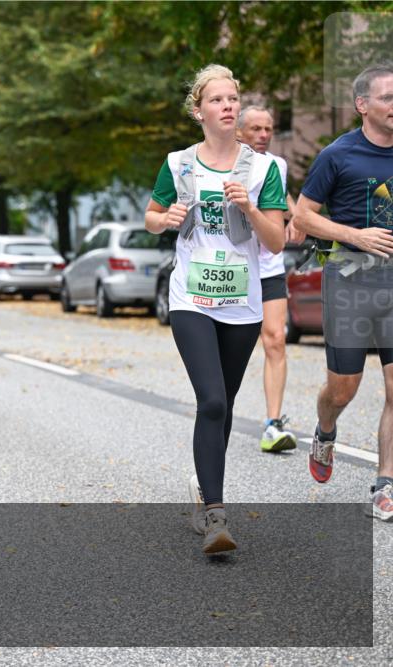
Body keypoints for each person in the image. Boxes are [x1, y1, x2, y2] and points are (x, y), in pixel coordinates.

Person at [144, 65, 286, 555]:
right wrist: (166, 218)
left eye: (233, 98)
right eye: (218, 100)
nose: (228, 106)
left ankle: (205, 491)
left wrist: (250, 208)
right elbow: (150, 217)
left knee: (223, 403)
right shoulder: (179, 164)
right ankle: (216, 517)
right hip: (191, 299)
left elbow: (277, 240)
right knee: (211, 400)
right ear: (199, 110)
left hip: (242, 303)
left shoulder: (263, 169)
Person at [292, 63, 393, 520]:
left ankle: (385, 485)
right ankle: (326, 429)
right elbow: (302, 216)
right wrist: (355, 236)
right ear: (362, 105)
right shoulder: (338, 154)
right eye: (387, 97)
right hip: (350, 282)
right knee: (342, 390)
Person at [236, 105, 304, 452]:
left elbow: (283, 197)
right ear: (239, 131)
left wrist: (298, 218)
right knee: (232, 346)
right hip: (234, 268)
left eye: (269, 129)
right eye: (256, 129)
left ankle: (273, 424)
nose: (264, 135)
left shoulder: (277, 165)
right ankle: (218, 410)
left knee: (276, 339)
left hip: (269, 267)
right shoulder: (225, 163)